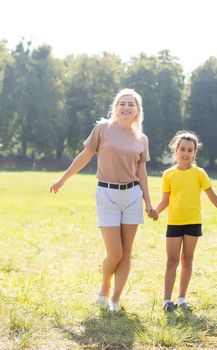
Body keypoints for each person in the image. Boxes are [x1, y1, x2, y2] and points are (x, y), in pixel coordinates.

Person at [50, 88, 154, 312]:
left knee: (127, 251)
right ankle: (105, 286)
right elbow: (85, 156)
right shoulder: (102, 129)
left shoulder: (142, 139)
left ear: (137, 110)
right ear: (116, 107)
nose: (126, 107)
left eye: (131, 104)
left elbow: (142, 173)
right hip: (107, 194)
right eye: (122, 103)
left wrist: (148, 202)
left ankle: (116, 300)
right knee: (114, 253)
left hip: (133, 196)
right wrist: (63, 179)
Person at [149, 131, 217, 312]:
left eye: (190, 150)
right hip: (174, 223)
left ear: (194, 153)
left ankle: (182, 298)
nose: (186, 153)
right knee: (171, 261)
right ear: (176, 150)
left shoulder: (200, 173)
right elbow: (165, 201)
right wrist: (155, 211)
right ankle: (167, 300)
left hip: (193, 222)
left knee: (187, 259)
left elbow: (213, 197)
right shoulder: (168, 174)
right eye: (182, 149)